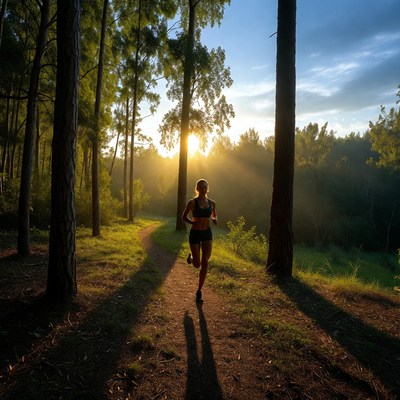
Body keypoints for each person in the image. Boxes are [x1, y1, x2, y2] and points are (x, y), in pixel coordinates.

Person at [182, 178, 217, 303]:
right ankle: (191, 257)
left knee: (205, 262)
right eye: (200, 187)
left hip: (207, 233)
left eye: (205, 187)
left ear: (208, 189)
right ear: (196, 189)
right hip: (195, 233)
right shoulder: (192, 203)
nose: (203, 189)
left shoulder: (212, 203)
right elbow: (184, 217)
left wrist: (214, 219)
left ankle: (199, 291)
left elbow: (214, 214)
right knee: (197, 264)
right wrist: (193, 223)